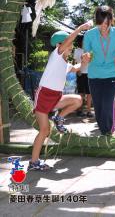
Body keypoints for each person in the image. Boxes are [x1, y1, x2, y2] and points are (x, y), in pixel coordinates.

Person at [28, 23, 91, 171]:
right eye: (68, 43)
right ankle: (34, 162)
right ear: (60, 44)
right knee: (45, 130)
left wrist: (84, 62)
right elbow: (69, 40)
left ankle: (59, 117)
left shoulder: (65, 62)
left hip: (56, 96)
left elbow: (76, 69)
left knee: (78, 100)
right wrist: (80, 28)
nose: (71, 46)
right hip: (44, 95)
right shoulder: (57, 53)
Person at [83, 5, 115, 135]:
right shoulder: (89, 34)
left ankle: (107, 132)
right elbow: (87, 53)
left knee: (107, 104)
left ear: (112, 20)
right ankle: (104, 131)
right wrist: (87, 57)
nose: (103, 26)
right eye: (100, 23)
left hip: (111, 74)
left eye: (106, 23)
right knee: (98, 107)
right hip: (94, 75)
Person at [73, 35, 93, 118]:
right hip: (80, 73)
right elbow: (74, 62)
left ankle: (88, 111)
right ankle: (79, 110)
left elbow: (92, 61)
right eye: (84, 40)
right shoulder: (77, 51)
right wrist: (77, 71)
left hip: (89, 73)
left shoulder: (90, 50)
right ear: (80, 41)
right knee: (80, 92)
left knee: (89, 93)